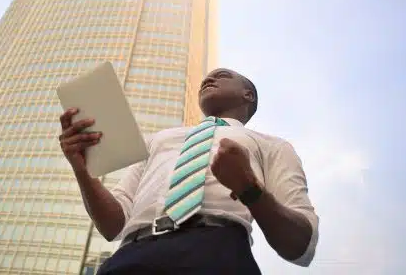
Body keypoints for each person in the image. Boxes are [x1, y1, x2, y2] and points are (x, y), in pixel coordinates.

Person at [58, 68, 319, 274]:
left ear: (248, 95)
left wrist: (249, 188)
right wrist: (82, 170)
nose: (209, 78)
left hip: (218, 252)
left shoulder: (273, 146)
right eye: (206, 78)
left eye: (222, 75)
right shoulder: (160, 139)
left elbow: (301, 245)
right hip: (131, 254)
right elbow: (113, 224)